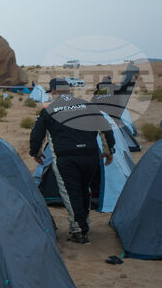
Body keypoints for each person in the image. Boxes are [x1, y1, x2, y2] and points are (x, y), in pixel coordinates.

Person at [29, 78, 115, 244]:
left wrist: (36, 153)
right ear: (68, 90)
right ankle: (83, 223)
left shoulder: (49, 110)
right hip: (90, 156)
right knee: (84, 189)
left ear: (54, 91)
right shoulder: (88, 106)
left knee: (71, 192)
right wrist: (108, 150)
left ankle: (79, 231)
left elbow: (37, 134)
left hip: (65, 158)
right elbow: (106, 127)